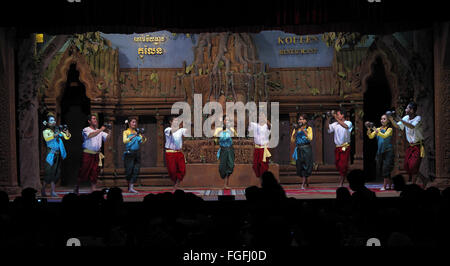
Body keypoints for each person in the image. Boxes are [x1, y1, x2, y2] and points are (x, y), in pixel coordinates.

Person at [388, 102, 425, 186]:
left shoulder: (418, 118)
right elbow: (398, 126)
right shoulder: (406, 117)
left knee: (413, 166)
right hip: (410, 146)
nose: (405, 110)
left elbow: (412, 126)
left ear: (412, 110)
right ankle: (423, 179)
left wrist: (400, 120)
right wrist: (391, 119)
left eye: (407, 108)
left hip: (418, 145)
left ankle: (413, 185)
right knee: (407, 166)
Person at [74, 114, 110, 194]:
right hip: (87, 154)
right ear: (89, 121)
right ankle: (77, 186)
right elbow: (90, 135)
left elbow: (107, 138)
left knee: (95, 172)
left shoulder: (99, 130)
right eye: (93, 119)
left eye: (96, 119)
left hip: (96, 155)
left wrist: (109, 130)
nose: (95, 120)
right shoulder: (86, 129)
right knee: (83, 171)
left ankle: (93, 189)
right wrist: (101, 129)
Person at [41, 113, 71, 197]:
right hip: (50, 154)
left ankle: (52, 191)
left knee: (56, 173)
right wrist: (58, 133)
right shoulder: (46, 131)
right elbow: (48, 138)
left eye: (54, 120)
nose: (53, 122)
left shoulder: (57, 130)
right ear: (47, 122)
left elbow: (67, 137)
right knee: (48, 172)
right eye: (51, 120)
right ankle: (43, 189)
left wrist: (66, 131)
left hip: (58, 154)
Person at [366, 114, 395, 190]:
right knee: (383, 169)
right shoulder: (378, 129)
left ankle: (385, 186)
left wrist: (376, 130)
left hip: (388, 151)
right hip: (380, 152)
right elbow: (371, 136)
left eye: (384, 119)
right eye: (381, 119)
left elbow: (384, 136)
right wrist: (369, 128)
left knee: (386, 168)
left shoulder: (390, 129)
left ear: (388, 120)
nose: (382, 120)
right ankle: (390, 184)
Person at [326, 108, 353, 187]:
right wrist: (328, 119)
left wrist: (336, 118)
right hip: (338, 147)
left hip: (345, 147)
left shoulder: (348, 123)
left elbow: (345, 126)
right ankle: (345, 176)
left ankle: (341, 183)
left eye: (338, 114)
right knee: (338, 164)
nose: (336, 116)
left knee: (343, 165)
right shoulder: (335, 124)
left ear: (342, 115)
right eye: (336, 115)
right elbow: (328, 128)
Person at [122, 117, 147, 193]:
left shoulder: (137, 132)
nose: (134, 124)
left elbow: (143, 141)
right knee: (129, 170)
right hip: (129, 153)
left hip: (136, 153)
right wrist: (134, 135)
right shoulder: (126, 132)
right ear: (129, 123)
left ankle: (131, 187)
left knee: (136, 170)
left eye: (135, 122)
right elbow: (125, 141)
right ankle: (129, 187)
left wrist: (142, 136)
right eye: (133, 122)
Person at [164, 116, 189, 190]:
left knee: (182, 169)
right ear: (171, 122)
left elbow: (187, 132)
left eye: (178, 121)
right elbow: (173, 131)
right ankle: (175, 183)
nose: (177, 122)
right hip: (170, 152)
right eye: (175, 121)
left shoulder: (181, 130)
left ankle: (177, 184)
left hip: (179, 152)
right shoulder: (167, 129)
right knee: (172, 170)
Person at [290, 113, 314, 189]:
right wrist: (297, 130)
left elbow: (310, 138)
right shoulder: (296, 129)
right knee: (300, 166)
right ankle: (305, 181)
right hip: (299, 149)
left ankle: (303, 184)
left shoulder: (309, 128)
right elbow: (292, 140)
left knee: (306, 165)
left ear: (306, 120)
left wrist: (303, 130)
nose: (301, 120)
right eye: (300, 119)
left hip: (306, 149)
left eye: (303, 119)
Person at [214, 115, 237, 189]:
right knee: (222, 167)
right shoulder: (218, 129)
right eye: (225, 120)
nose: (227, 122)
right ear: (223, 121)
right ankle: (224, 182)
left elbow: (235, 135)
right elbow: (215, 139)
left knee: (230, 166)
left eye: (228, 120)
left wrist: (230, 129)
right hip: (223, 150)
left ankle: (226, 184)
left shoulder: (231, 129)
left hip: (230, 150)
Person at [248, 112, 271, 178]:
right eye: (260, 116)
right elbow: (249, 129)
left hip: (264, 148)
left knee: (263, 165)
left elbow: (270, 126)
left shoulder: (267, 126)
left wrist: (266, 120)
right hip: (257, 147)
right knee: (255, 165)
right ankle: (260, 177)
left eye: (263, 116)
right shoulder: (255, 125)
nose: (261, 118)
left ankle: (263, 180)